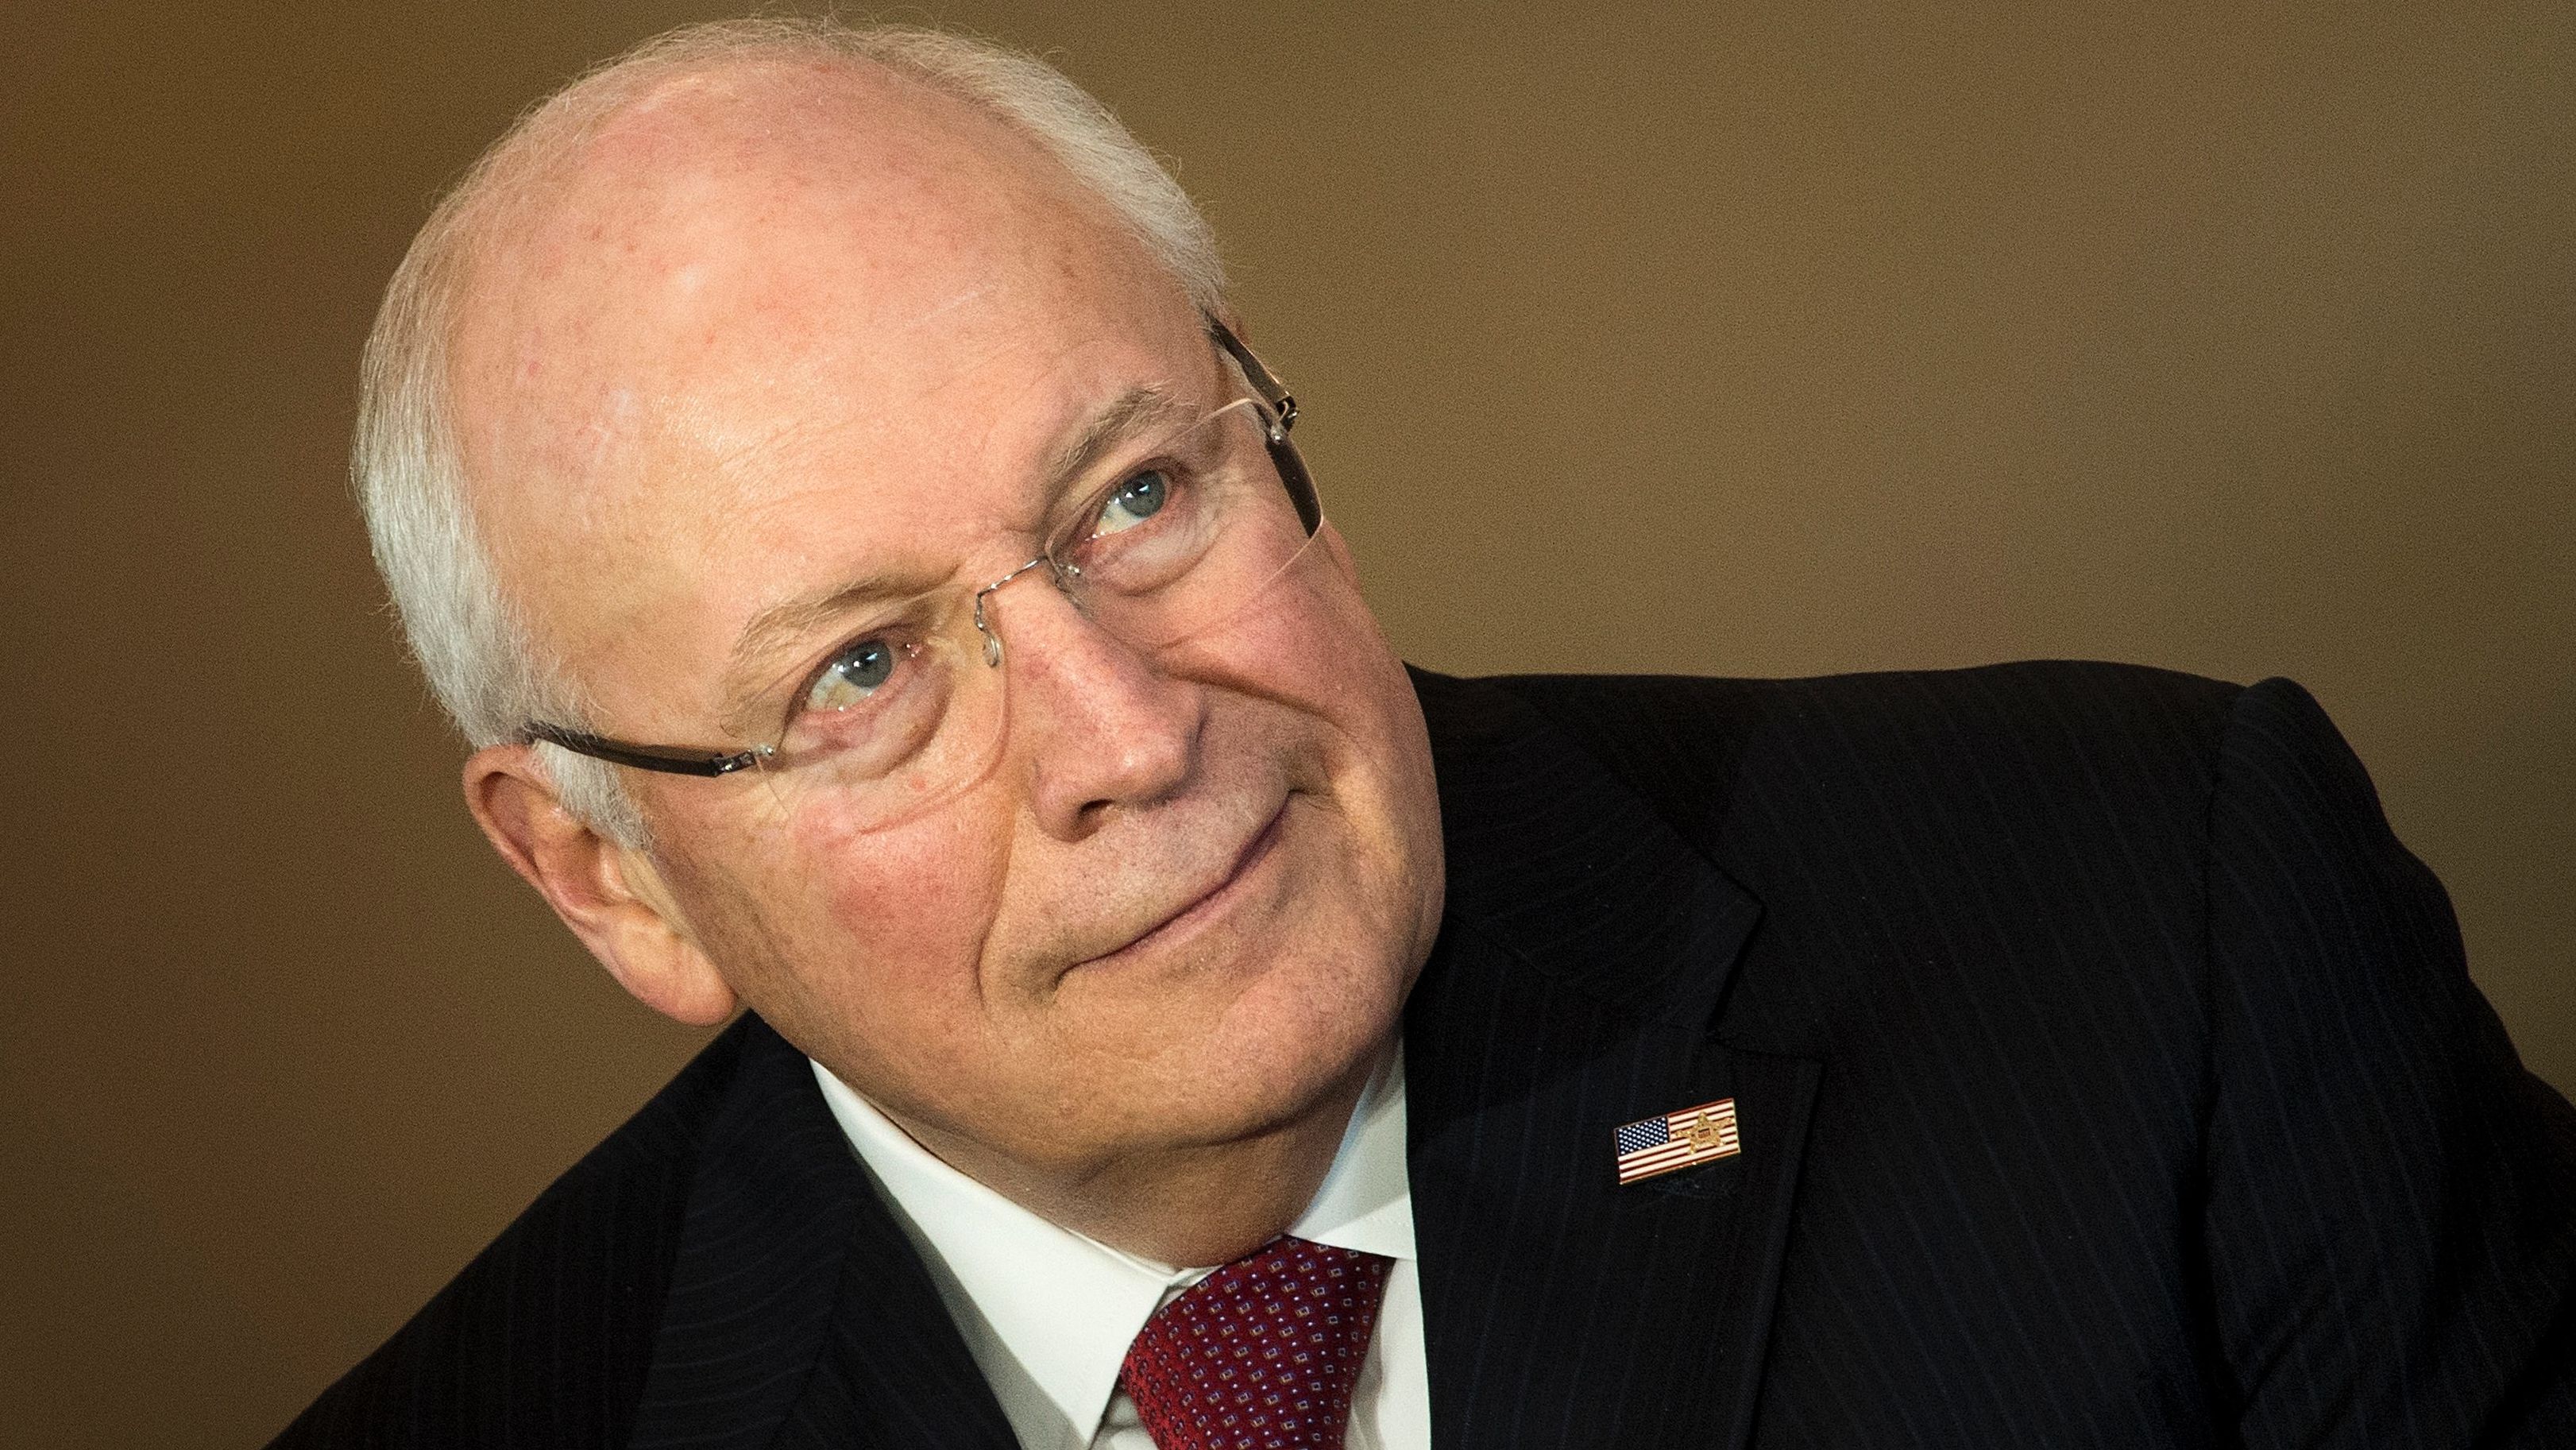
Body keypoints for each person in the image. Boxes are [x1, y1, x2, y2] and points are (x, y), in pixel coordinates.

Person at [275, 17, 2576, 1449]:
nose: (1124, 732)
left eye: (1137, 496)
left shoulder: (2150, 930)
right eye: (860, 672)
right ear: (608, 873)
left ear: (1276, 438)